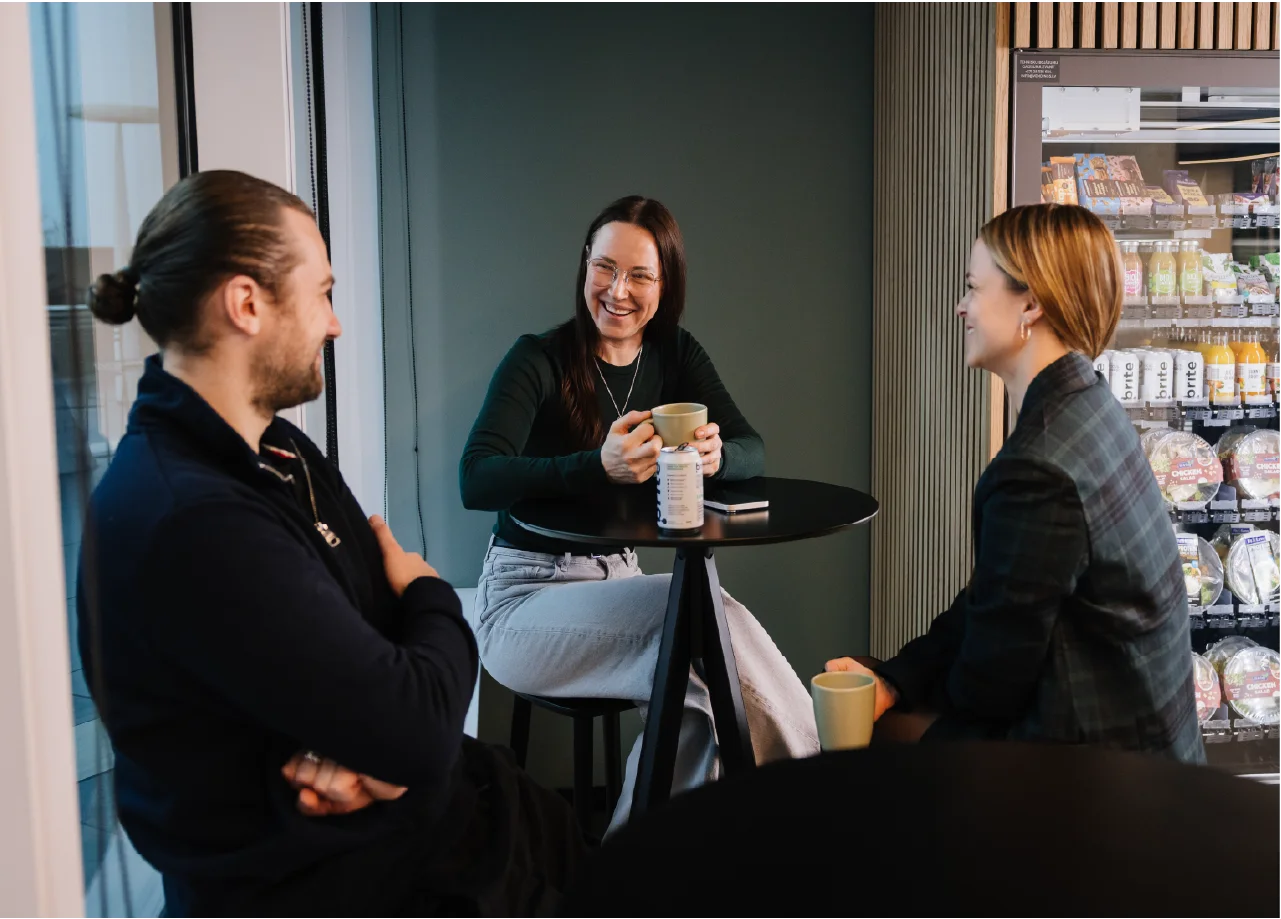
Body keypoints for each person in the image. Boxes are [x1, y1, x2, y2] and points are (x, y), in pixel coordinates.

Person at [79, 170, 585, 919]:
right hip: (357, 886)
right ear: (246, 303)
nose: (335, 322)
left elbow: (392, 681)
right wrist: (430, 594)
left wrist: (395, 736)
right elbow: (414, 717)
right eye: (321, 291)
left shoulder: (275, 448)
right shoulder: (190, 517)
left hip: (448, 833)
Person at [460, 195, 819, 832]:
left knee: (699, 694)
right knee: (711, 614)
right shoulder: (539, 358)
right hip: (524, 604)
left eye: (640, 275)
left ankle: (639, 878)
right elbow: (477, 477)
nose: (618, 291)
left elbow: (752, 448)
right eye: (604, 268)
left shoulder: (674, 355)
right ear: (584, 268)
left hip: (618, 587)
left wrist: (716, 456)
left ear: (666, 283)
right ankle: (822, 789)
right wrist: (595, 465)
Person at [826, 203, 1203, 763]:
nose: (961, 307)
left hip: (1102, 794)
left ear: (1030, 302)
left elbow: (989, 684)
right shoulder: (1091, 406)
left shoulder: (1038, 468)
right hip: (1153, 761)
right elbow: (994, 602)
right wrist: (897, 680)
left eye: (974, 288)